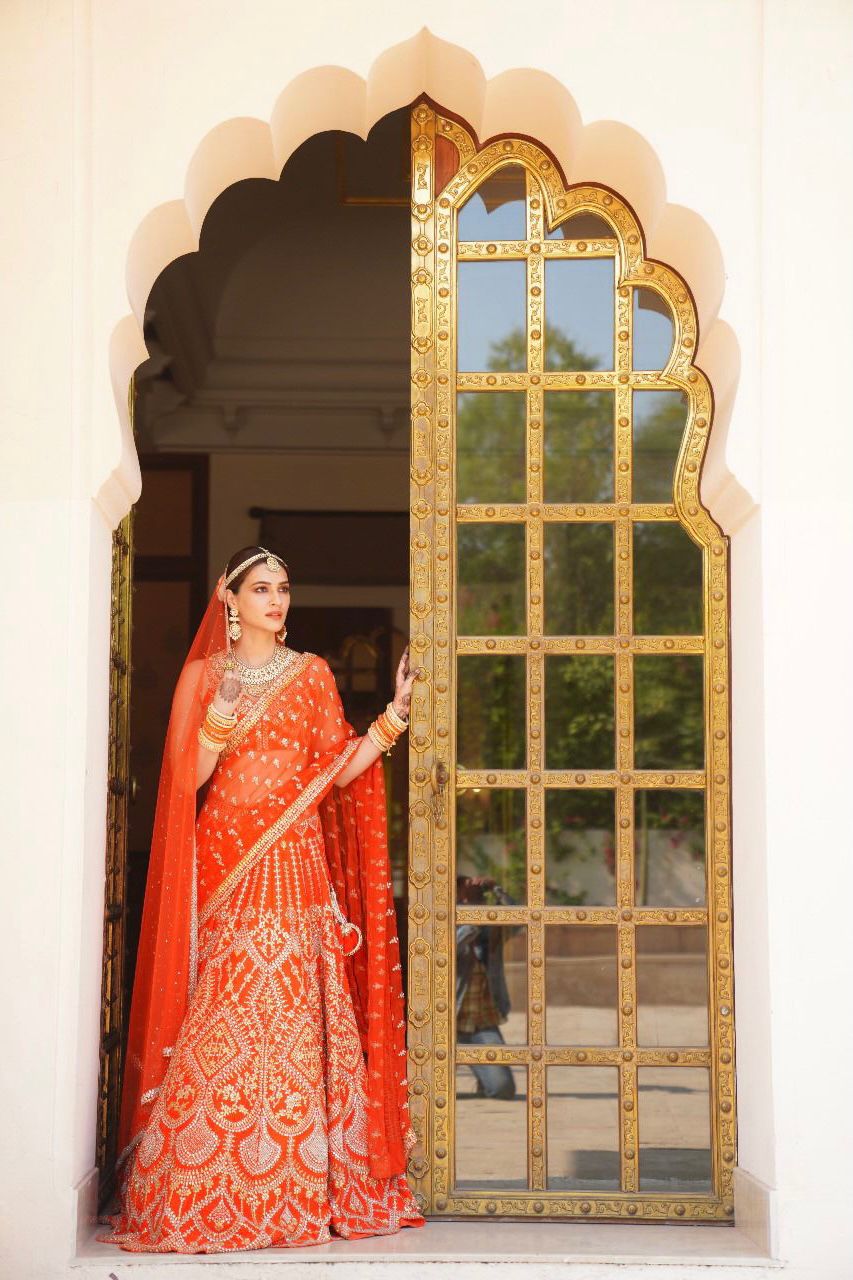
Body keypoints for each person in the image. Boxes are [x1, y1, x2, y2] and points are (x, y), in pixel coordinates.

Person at [96, 546, 424, 1253]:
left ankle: (293, 1185)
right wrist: (218, 715)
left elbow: (337, 773)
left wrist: (393, 717)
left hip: (295, 861)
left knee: (296, 1016)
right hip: (225, 859)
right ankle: (206, 1182)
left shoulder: (310, 675)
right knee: (223, 1012)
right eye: (261, 589)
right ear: (229, 597)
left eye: (283, 589)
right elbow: (191, 777)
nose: (275, 601)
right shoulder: (199, 678)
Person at [455, 875, 517, 1101]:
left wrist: (497, 890)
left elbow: (522, 920)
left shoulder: (488, 931)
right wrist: (471, 913)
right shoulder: (443, 923)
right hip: (445, 1023)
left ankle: (484, 1075)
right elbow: (448, 949)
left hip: (481, 1021)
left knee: (502, 1090)